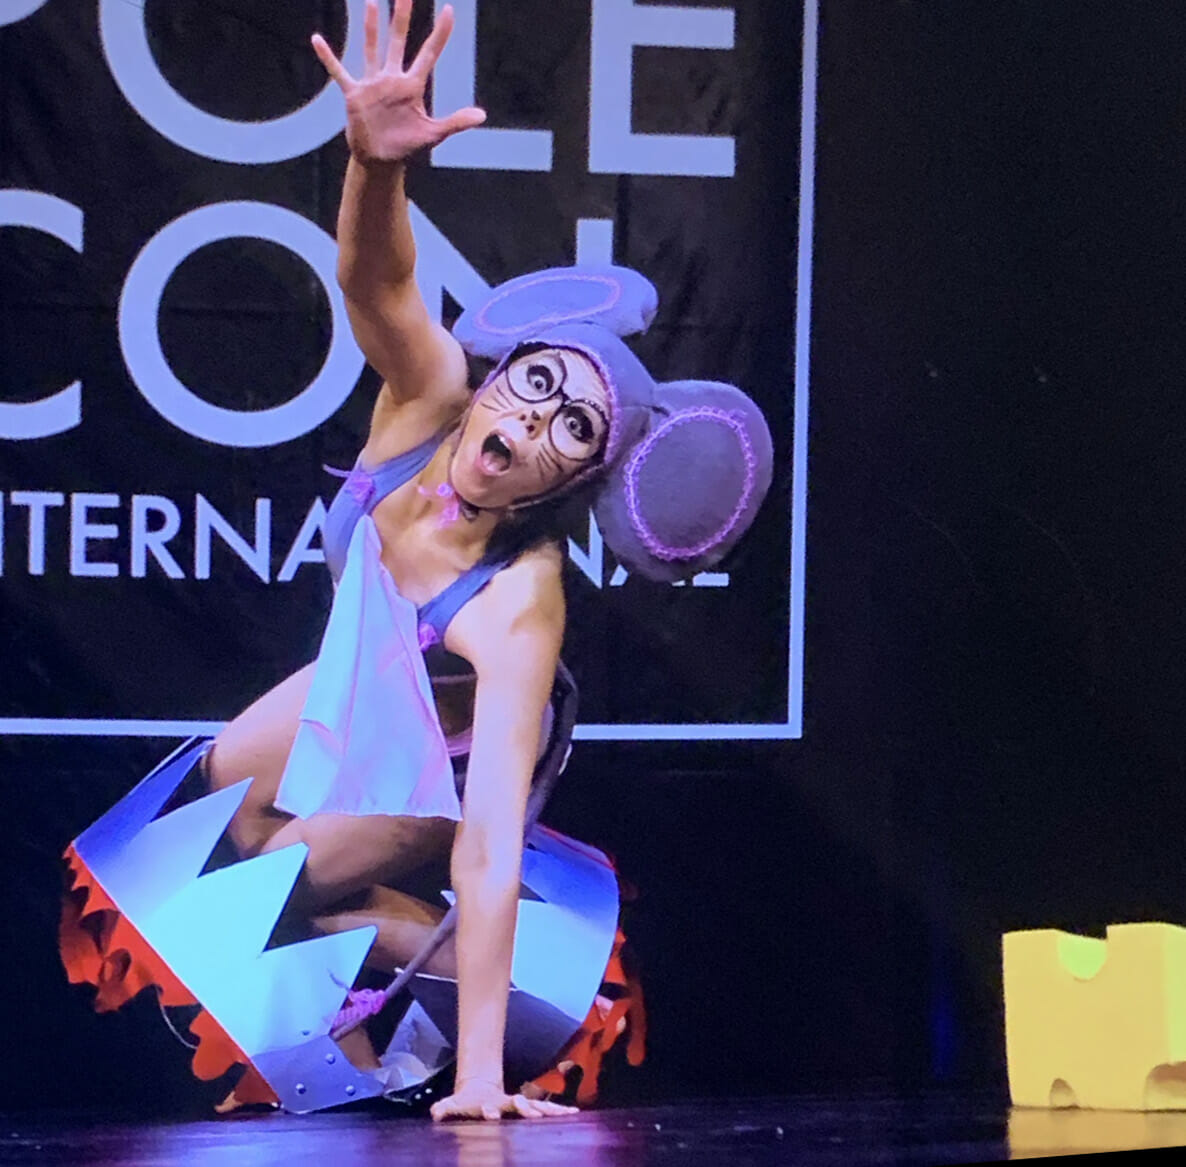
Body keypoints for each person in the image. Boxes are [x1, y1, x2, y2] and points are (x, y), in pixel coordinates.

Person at [63, 0, 773, 1123]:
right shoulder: (425, 407)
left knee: (275, 880)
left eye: (574, 429)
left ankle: (426, 954)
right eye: (538, 385)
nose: (537, 422)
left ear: (575, 478)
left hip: (429, 780)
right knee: (200, 826)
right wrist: (370, 166)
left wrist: (484, 1083)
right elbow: (376, 282)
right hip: (354, 703)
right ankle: (375, 938)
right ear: (500, 373)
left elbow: (489, 837)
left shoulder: (519, 601)